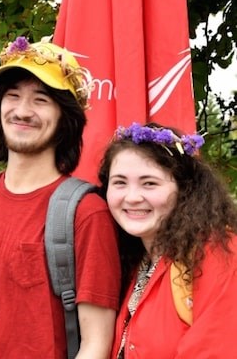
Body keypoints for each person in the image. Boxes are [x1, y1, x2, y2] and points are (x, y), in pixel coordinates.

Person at [0, 37, 121, 358]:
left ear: (64, 119)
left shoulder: (86, 213)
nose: (22, 111)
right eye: (12, 96)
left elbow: (96, 343)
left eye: (40, 100)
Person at [98, 122, 237, 358]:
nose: (132, 197)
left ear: (185, 189)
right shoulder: (134, 260)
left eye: (149, 183)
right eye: (120, 182)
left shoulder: (219, 251)